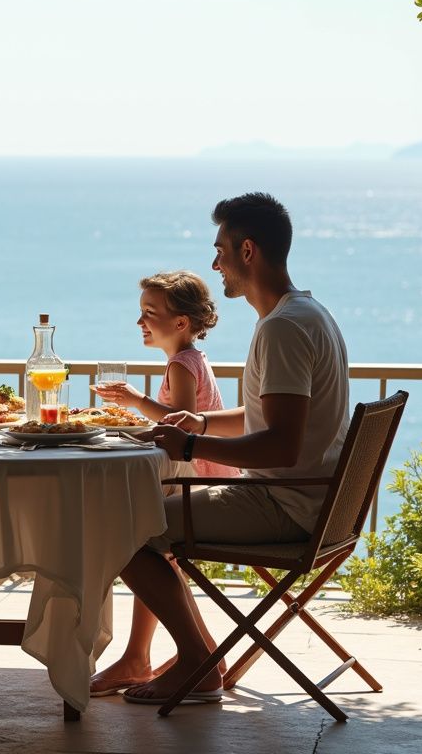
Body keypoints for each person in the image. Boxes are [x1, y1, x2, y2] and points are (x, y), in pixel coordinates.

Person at [119, 193, 350, 705]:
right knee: (138, 517)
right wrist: (199, 419)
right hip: (313, 502)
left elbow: (282, 444)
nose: (214, 262)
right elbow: (269, 415)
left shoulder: (283, 329)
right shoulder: (307, 314)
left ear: (247, 251)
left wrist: (193, 442)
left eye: (220, 248)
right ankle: (196, 657)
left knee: (122, 525)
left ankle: (198, 664)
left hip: (284, 505)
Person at [91, 271, 236, 696]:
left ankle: (142, 658)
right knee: (154, 545)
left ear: (181, 323)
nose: (141, 322)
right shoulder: (191, 360)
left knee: (137, 533)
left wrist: (136, 402)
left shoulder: (182, 364)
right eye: (141, 312)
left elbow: (181, 426)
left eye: (150, 313)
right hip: (191, 481)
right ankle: (199, 652)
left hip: (192, 483)